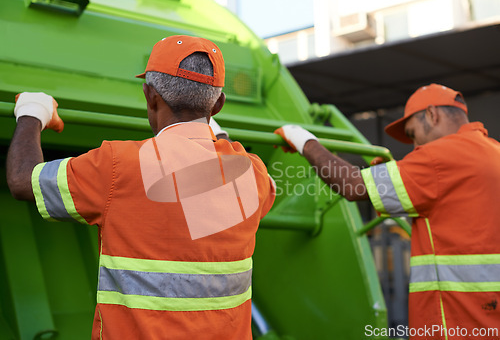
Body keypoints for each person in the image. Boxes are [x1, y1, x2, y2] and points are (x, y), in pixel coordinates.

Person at [7, 35, 275, 340]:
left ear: (150, 96)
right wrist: (218, 134)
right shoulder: (251, 172)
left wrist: (32, 113)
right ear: (218, 104)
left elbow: (22, 179)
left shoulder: (116, 164)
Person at [274, 84, 500, 339]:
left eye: (413, 134)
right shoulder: (492, 152)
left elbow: (352, 186)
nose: (415, 147)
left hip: (456, 325)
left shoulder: (441, 157)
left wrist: (305, 142)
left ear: (432, 114)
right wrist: (395, 178)